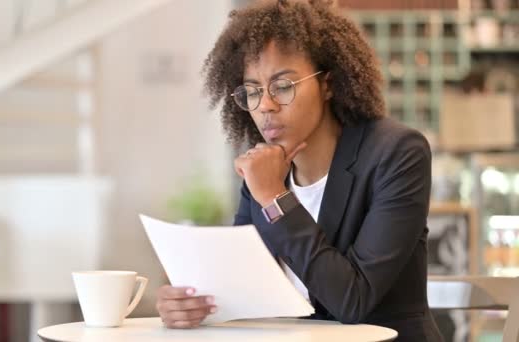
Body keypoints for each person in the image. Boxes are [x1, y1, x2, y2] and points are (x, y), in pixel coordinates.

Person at [156, 0, 443, 340]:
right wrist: (191, 303)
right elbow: (241, 286)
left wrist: (275, 198)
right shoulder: (262, 171)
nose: (265, 105)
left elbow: (353, 300)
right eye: (252, 91)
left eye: (283, 86)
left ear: (328, 84)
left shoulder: (396, 153)